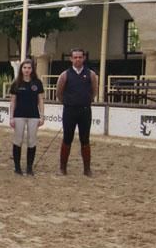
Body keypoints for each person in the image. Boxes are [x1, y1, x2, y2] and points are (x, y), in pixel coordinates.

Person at [55, 48, 98, 176]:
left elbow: (94, 91)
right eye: (75, 57)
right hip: (69, 111)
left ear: (84, 58)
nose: (78, 59)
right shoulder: (65, 75)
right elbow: (59, 93)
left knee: (85, 139)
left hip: (85, 111)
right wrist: (69, 103)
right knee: (67, 139)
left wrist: (85, 102)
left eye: (80, 57)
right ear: (71, 59)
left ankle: (87, 169)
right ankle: (63, 168)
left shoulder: (91, 74)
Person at [9, 59, 45, 176]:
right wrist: (11, 117)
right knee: (18, 140)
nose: (27, 70)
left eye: (29, 68)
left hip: (33, 116)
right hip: (19, 115)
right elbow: (13, 102)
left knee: (32, 141)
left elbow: (40, 100)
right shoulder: (16, 83)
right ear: (21, 69)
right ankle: (17, 167)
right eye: (25, 68)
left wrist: (42, 116)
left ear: (32, 69)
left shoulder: (37, 83)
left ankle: (29, 167)